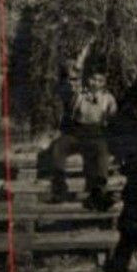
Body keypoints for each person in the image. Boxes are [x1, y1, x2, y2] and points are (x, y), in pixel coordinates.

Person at [50, 68, 118, 211]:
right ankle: (59, 186)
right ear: (88, 79)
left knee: (102, 151)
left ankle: (98, 191)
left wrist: (105, 112)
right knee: (59, 146)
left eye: (100, 81)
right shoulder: (79, 94)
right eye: (93, 79)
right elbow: (69, 114)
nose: (95, 84)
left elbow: (112, 119)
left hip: (96, 134)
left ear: (104, 83)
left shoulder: (108, 98)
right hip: (77, 133)